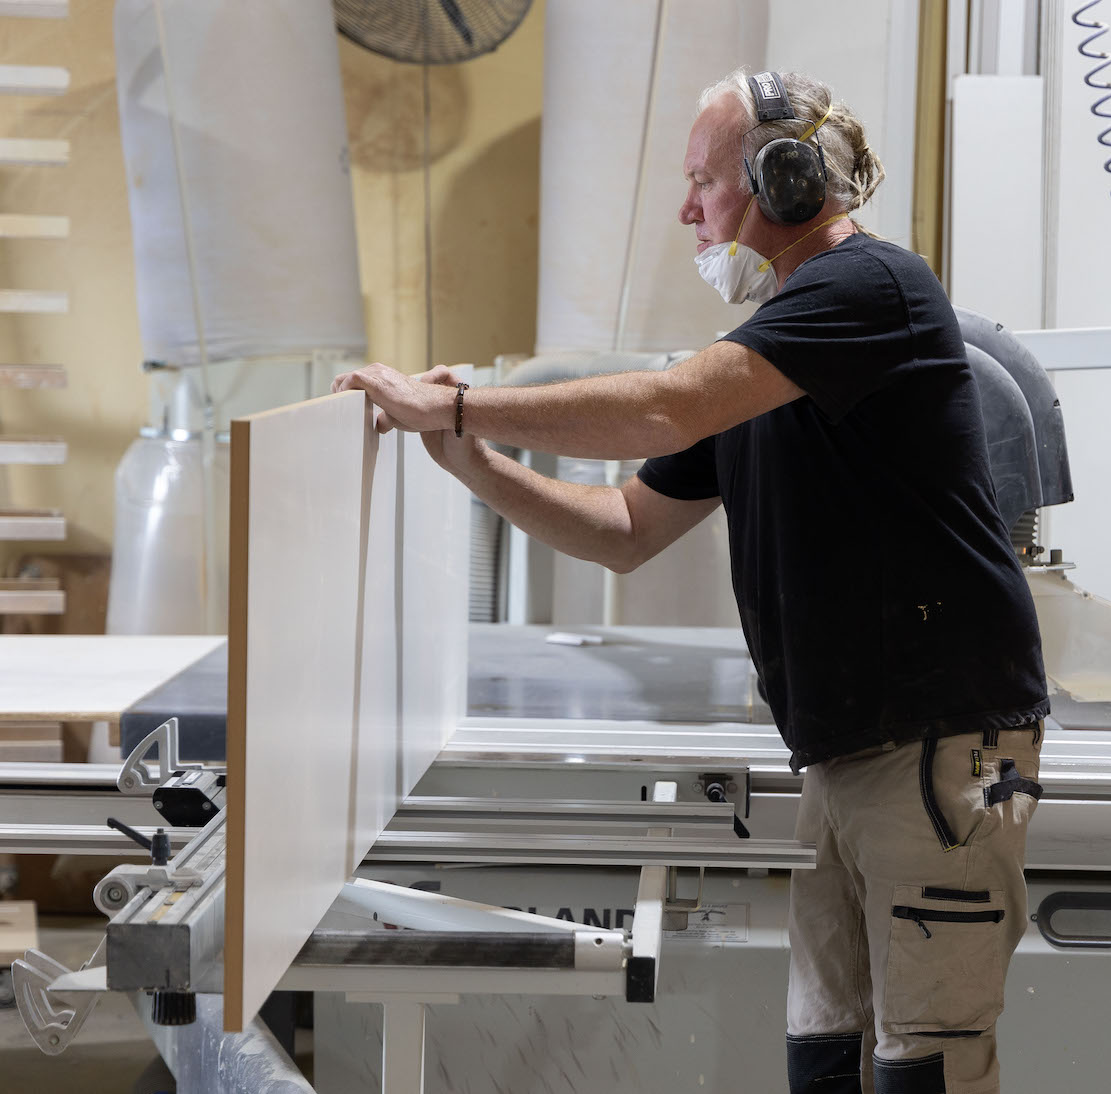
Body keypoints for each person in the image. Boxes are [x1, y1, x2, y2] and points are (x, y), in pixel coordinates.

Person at [334, 67, 1049, 1094]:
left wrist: (455, 408)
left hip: (943, 745)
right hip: (849, 748)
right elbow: (625, 526)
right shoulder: (766, 354)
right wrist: (473, 462)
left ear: (786, 177)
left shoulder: (867, 289)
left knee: (924, 1064)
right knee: (826, 1055)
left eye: (702, 181)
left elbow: (665, 409)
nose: (686, 208)